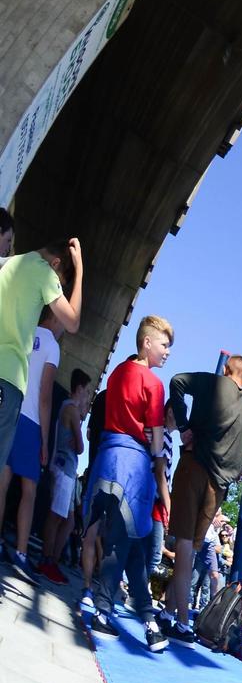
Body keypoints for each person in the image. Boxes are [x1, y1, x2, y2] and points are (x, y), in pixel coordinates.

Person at [161, 356, 242, 640]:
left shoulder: (214, 383)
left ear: (227, 371)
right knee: (190, 548)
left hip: (194, 466)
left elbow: (177, 381)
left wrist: (185, 425)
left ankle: (181, 621)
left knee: (184, 546)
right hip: (220, 485)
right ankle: (169, 612)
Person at [85, 315, 172, 652]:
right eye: (164, 345)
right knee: (124, 541)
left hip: (107, 458)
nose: (167, 352)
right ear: (147, 342)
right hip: (133, 465)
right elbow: (156, 440)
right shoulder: (153, 383)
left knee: (129, 542)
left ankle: (148, 620)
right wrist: (162, 485)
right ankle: (104, 612)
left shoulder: (118, 373)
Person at [0, 238, 82, 550]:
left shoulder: (11, 264)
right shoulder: (45, 273)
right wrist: (82, 269)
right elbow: (72, 320)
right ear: (58, 264)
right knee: (27, 488)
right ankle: (21, 551)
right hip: (17, 397)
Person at [0, 311, 61, 575]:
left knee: (2, 482)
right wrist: (45, 441)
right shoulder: (52, 346)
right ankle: (22, 553)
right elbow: (45, 396)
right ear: (56, 317)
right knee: (29, 491)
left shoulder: (25, 328)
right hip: (32, 421)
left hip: (10, 407)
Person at [38, 368, 92, 583]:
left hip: (67, 468)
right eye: (87, 391)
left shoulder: (70, 410)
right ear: (79, 388)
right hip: (64, 467)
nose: (88, 396)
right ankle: (46, 560)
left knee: (68, 522)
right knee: (56, 516)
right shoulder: (70, 409)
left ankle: (54, 559)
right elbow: (80, 446)